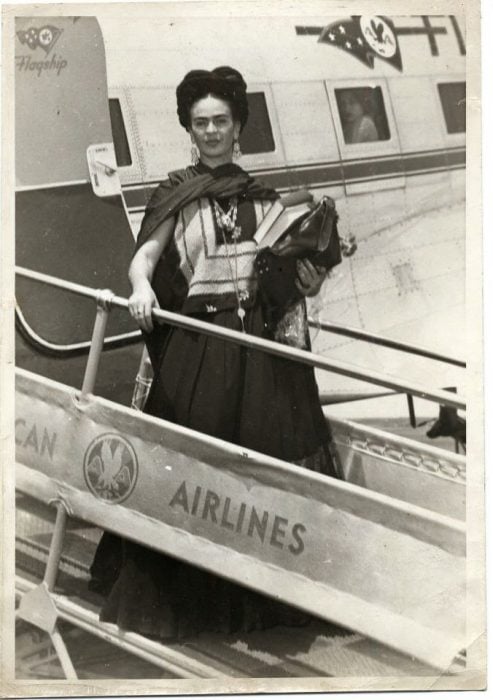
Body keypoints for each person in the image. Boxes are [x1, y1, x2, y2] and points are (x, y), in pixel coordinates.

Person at [90, 66, 340, 640]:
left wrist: (308, 279)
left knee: (258, 482)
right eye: (200, 122)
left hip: (259, 356)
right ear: (188, 128)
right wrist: (142, 287)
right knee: (191, 472)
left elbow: (290, 283)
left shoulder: (266, 199)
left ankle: (257, 603)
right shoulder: (175, 193)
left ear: (239, 126)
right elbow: (145, 257)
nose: (210, 131)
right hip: (200, 352)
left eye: (220, 121)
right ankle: (187, 604)